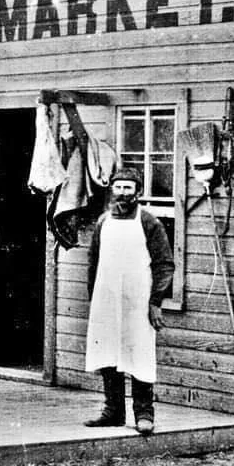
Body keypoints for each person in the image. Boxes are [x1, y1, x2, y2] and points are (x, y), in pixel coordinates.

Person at [83, 166, 175, 435]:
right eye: (118, 187)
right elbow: (93, 263)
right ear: (112, 189)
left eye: (128, 188)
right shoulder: (103, 222)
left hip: (138, 300)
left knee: (139, 353)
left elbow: (164, 264)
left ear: (138, 192)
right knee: (108, 351)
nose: (122, 193)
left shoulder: (149, 222)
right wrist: (94, 298)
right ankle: (113, 411)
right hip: (107, 298)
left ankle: (144, 413)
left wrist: (155, 302)